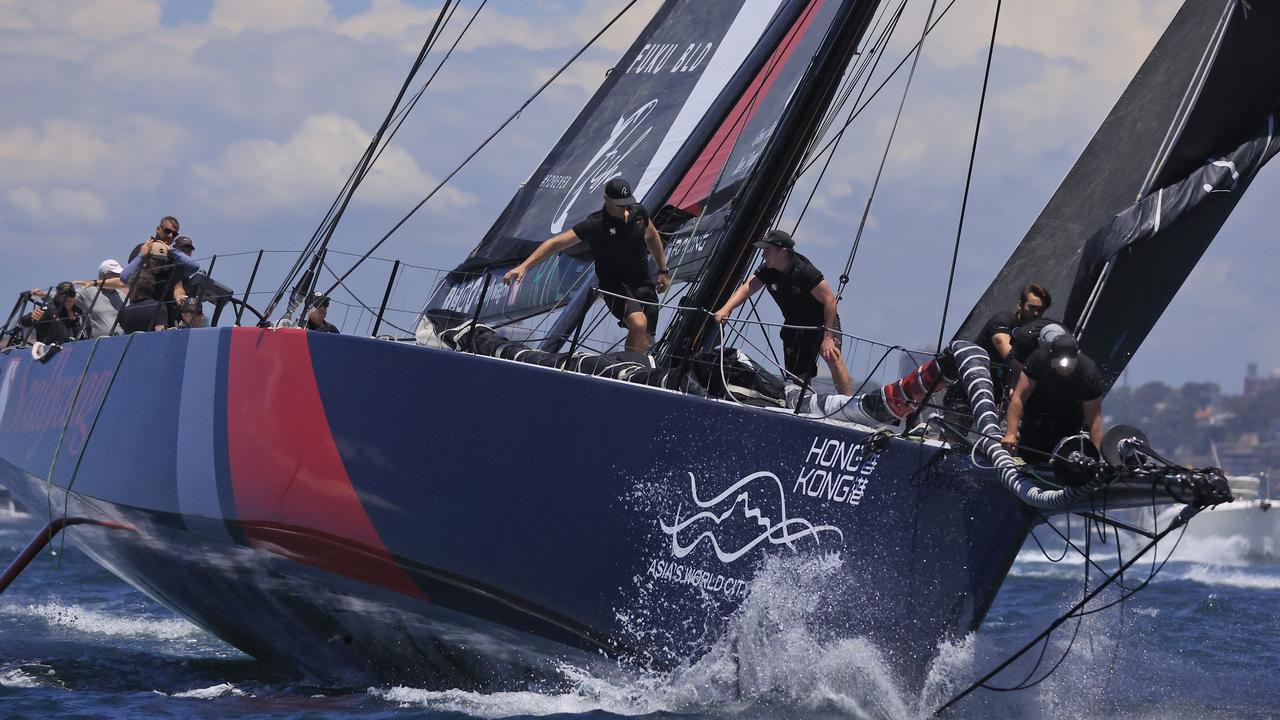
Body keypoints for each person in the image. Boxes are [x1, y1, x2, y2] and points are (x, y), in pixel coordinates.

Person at [503, 177, 669, 354]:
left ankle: (640, 371)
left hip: (642, 281)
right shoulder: (595, 224)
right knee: (638, 324)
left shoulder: (638, 213)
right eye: (619, 204)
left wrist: (662, 270)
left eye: (627, 203)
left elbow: (652, 237)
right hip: (615, 285)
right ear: (606, 198)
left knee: (647, 335)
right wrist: (524, 266)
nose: (624, 209)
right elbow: (555, 243)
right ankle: (630, 366)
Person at [711, 229, 853, 395]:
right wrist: (726, 309)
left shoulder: (804, 270)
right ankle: (802, 404)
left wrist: (828, 338)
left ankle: (847, 402)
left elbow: (829, 300)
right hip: (795, 322)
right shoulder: (767, 270)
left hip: (822, 320)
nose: (763, 255)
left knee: (831, 355)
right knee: (798, 374)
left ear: (783, 251)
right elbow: (747, 288)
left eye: (767, 250)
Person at [1002, 332, 1105, 462]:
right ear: (1051, 356)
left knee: (1062, 452)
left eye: (1069, 364)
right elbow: (1019, 398)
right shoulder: (1039, 359)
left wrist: (1094, 458)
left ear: (1077, 356)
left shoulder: (1089, 374)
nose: (1063, 369)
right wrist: (1011, 434)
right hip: (1037, 412)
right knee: (1029, 449)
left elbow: (1094, 420)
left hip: (1069, 419)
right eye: (1058, 363)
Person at [974, 282, 1052, 401]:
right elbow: (1010, 356)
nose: (1036, 313)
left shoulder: (1037, 335)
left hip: (995, 396)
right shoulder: (1003, 321)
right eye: (1032, 307)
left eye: (1040, 310)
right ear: (1020, 305)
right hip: (972, 387)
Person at [74, 259, 128, 337]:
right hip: (98, 345)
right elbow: (66, 300)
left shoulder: (123, 297)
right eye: (116, 274)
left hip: (122, 341)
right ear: (105, 275)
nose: (119, 278)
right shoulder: (88, 291)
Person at [18, 282, 83, 344]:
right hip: (50, 352)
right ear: (58, 297)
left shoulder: (80, 315)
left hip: (75, 351)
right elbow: (24, 321)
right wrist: (32, 317)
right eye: (64, 295)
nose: (68, 297)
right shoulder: (50, 310)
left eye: (71, 294)